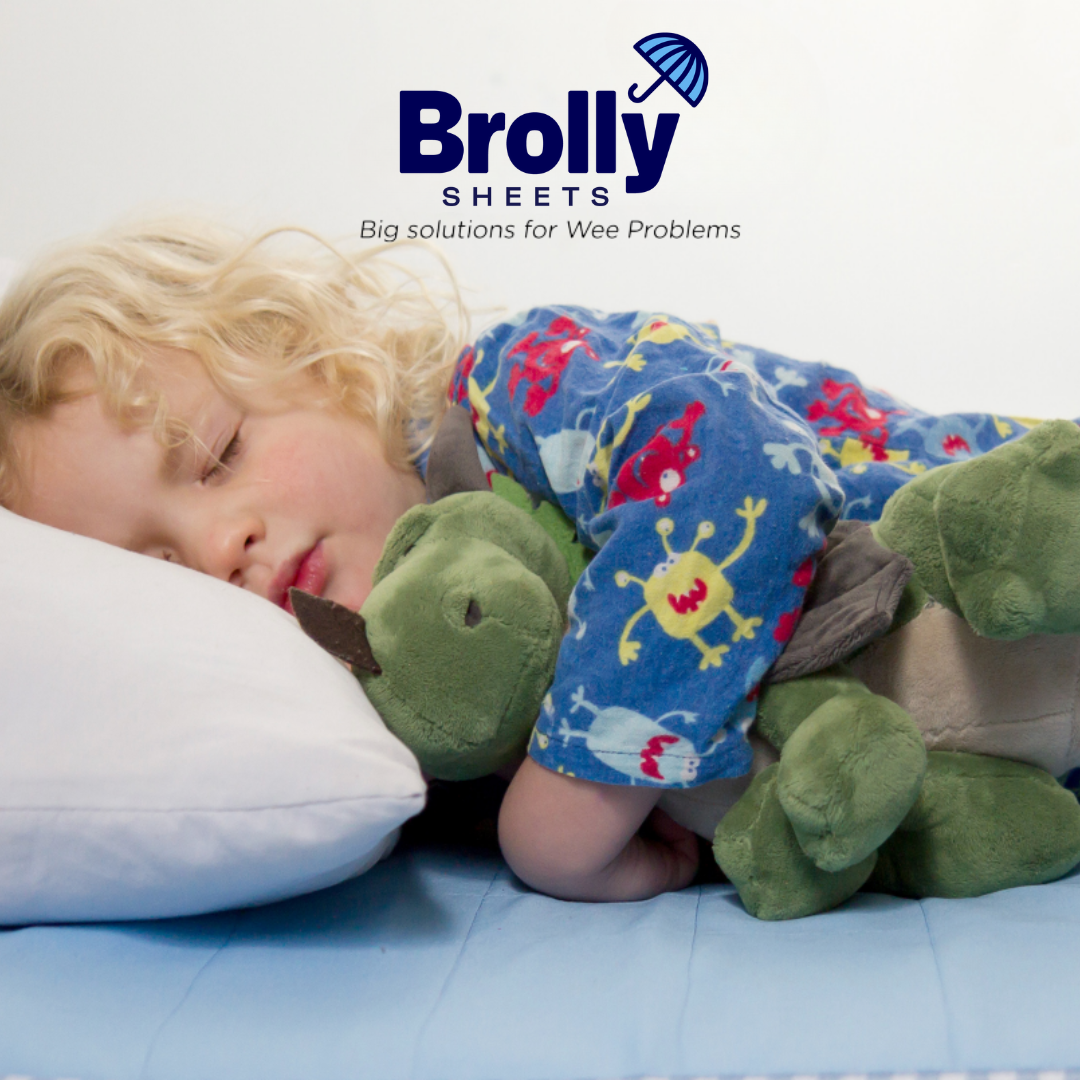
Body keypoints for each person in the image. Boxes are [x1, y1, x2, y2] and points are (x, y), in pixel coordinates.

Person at [0, 219, 1027, 903]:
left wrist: (574, 796)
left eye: (220, 454)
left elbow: (734, 460)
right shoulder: (374, 730)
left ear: (321, 363)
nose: (219, 547)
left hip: (1004, 549)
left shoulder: (516, 387)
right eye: (162, 572)